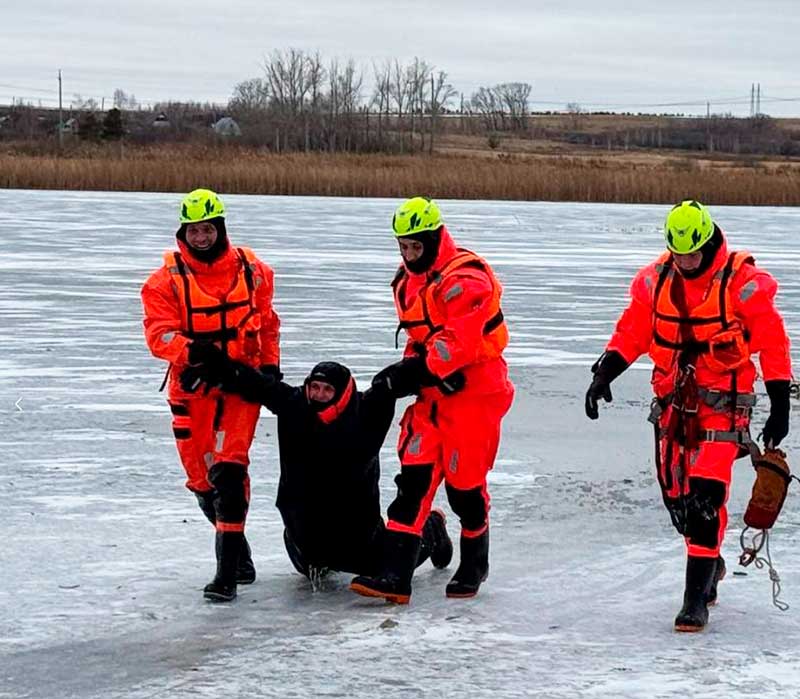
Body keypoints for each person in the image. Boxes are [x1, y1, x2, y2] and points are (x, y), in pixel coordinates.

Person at [585, 199, 792, 632]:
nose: (685, 263)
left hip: (723, 410)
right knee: (678, 500)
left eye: (692, 256)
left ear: (709, 243)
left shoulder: (741, 284)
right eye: (678, 255)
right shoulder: (655, 282)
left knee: (704, 500)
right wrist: (603, 375)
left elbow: (773, 343)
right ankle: (708, 561)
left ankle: (694, 600)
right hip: (673, 408)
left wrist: (779, 405)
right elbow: (633, 332)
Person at [349, 196, 515, 604]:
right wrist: (408, 371)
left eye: (415, 247)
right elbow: (420, 338)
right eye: (403, 246)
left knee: (465, 489)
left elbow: (456, 343)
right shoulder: (407, 282)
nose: (408, 254)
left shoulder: (468, 280)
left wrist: (404, 375)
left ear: (434, 239)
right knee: (413, 481)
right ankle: (395, 576)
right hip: (430, 397)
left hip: (474, 396)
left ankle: (475, 564)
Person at [184, 356, 453, 580]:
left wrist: (439, 372)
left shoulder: (366, 410)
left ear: (343, 392)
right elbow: (255, 385)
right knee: (308, 568)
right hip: (305, 535)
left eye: (327, 389)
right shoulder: (294, 405)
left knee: (384, 567)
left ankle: (433, 527)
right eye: (315, 387)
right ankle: (317, 555)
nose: (319, 394)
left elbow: (392, 383)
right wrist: (213, 366)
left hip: (357, 533)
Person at [141, 188, 281, 603]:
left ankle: (226, 575)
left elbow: (269, 323)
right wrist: (196, 355)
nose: (201, 238)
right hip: (193, 389)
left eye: (208, 230)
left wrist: (269, 368)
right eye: (194, 231)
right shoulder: (164, 282)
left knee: (230, 473)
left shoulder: (254, 271)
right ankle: (240, 556)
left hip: (241, 387)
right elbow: (158, 334)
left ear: (221, 229)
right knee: (203, 482)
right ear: (184, 232)